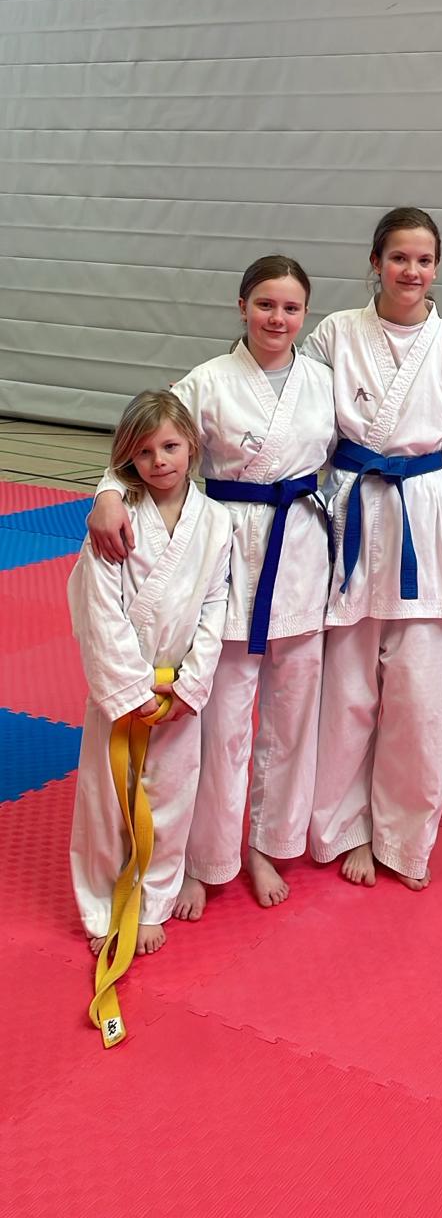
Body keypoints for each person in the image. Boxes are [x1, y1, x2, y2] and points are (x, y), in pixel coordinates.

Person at [86, 257, 335, 913]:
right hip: (229, 551)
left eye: (290, 307)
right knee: (221, 722)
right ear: (241, 306)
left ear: (305, 314)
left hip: (302, 549)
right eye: (265, 304)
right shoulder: (207, 380)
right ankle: (206, 858)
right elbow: (148, 439)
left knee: (294, 714)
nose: (277, 318)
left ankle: (269, 845)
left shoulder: (324, 381)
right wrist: (108, 494)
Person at [305, 206, 442, 889]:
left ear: (436, 268)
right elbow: (307, 430)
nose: (411, 271)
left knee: (419, 695)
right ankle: (343, 827)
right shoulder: (334, 333)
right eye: (399, 258)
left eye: (424, 260)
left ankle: (405, 840)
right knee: (346, 688)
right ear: (376, 263)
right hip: (352, 514)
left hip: (424, 518)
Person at [70, 390, 232, 956]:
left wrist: (192, 682)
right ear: (127, 459)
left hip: (179, 687)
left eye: (170, 447)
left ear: (191, 446)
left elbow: (217, 604)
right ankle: (100, 904)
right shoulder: (115, 520)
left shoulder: (217, 521)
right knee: (104, 798)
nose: (159, 461)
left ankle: (153, 902)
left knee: (171, 796)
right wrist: (130, 687)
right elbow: (99, 608)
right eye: (143, 452)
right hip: (125, 687)